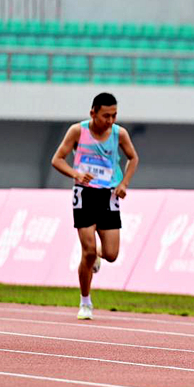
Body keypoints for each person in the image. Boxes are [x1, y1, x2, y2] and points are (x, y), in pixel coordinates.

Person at [51, 92, 139, 320]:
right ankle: (85, 302)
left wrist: (124, 183)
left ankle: (97, 256)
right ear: (93, 113)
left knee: (111, 254)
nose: (110, 120)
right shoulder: (77, 131)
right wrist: (76, 174)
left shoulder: (119, 134)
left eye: (114, 115)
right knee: (88, 251)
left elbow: (133, 158)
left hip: (109, 196)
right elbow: (57, 159)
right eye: (105, 115)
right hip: (85, 194)